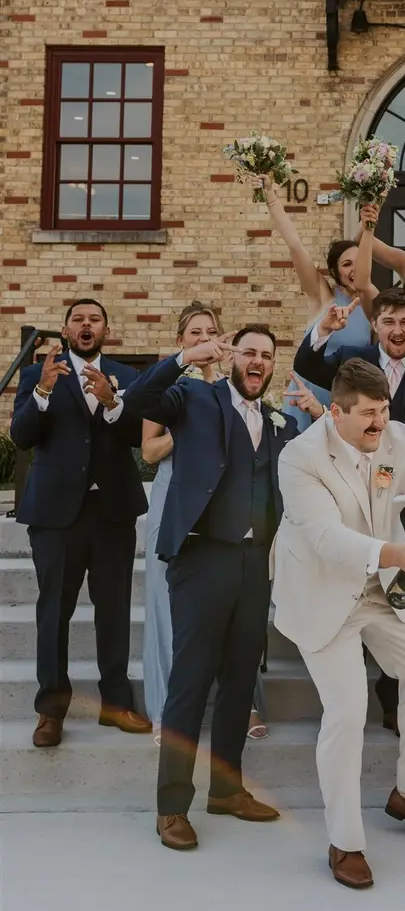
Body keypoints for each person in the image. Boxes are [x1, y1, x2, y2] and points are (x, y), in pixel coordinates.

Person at [123, 324, 320, 852]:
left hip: (256, 563)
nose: (257, 361)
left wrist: (322, 421)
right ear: (232, 357)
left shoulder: (279, 421)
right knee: (191, 682)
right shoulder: (195, 396)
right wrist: (186, 356)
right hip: (202, 557)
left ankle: (228, 791)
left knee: (238, 679)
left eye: (266, 355)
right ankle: (171, 808)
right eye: (249, 352)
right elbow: (137, 400)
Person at [272, 358, 405, 890]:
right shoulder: (301, 456)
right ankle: (344, 841)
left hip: (386, 586)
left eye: (384, 412)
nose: (380, 425)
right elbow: (327, 541)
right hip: (322, 590)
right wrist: (399, 554)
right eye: (368, 416)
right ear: (336, 412)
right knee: (349, 709)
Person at [294, 288, 405, 731]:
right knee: (362, 589)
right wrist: (322, 332)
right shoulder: (353, 356)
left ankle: (400, 704)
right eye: (389, 321)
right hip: (361, 500)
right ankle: (355, 691)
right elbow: (307, 366)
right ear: (377, 326)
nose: (398, 330)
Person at [10, 299, 152, 747]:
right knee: (54, 611)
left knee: (114, 610)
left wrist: (113, 402)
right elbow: (21, 436)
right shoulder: (38, 374)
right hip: (55, 516)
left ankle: (116, 703)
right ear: (66, 328)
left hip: (112, 512)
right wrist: (44, 392)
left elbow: (136, 436)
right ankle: (51, 708)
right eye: (78, 319)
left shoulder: (127, 377)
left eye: (94, 320)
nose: (86, 326)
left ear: (106, 329)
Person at [141, 301, 269, 742]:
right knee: (170, 610)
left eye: (210, 331)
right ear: (182, 341)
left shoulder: (235, 386)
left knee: (237, 614)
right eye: (194, 332)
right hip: (177, 497)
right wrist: (193, 432)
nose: (204, 338)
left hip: (227, 511)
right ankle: (165, 710)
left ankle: (244, 706)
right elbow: (150, 450)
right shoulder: (176, 387)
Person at [258, 176, 370, 422]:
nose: (353, 269)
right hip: (305, 395)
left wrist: (367, 222)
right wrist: (271, 196)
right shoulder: (324, 296)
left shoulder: (371, 305)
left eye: (358, 262)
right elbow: (296, 246)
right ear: (335, 272)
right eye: (346, 264)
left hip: (343, 402)